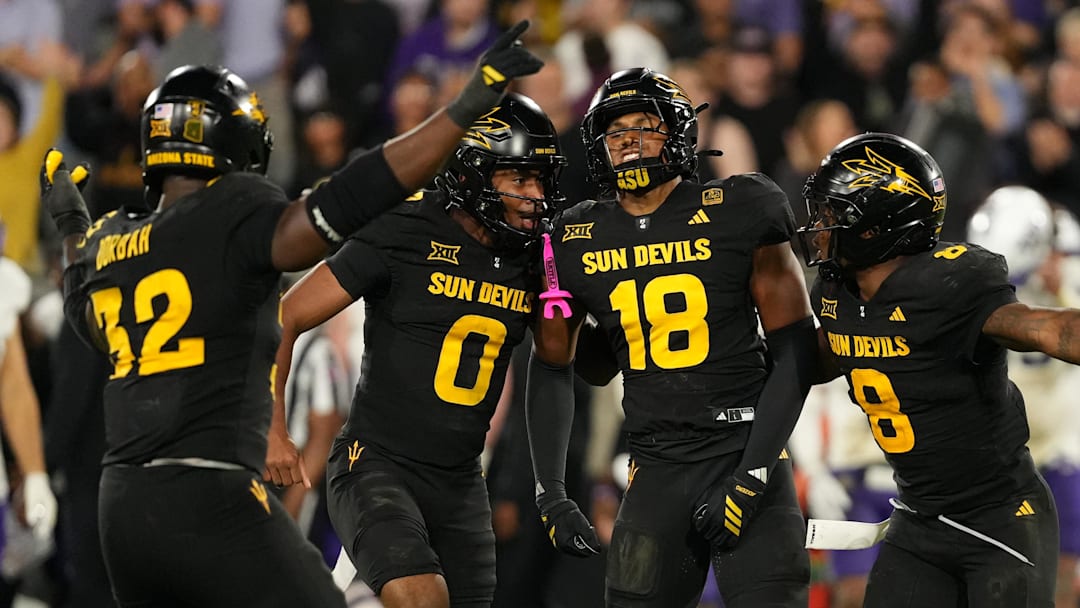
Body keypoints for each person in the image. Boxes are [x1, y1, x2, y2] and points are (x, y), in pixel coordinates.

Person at [39, 20, 543, 607]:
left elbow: (80, 297)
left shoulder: (109, 240)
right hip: (208, 488)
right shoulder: (233, 209)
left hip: (120, 504)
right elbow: (349, 199)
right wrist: (463, 109)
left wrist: (72, 221)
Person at [525, 67, 817, 607]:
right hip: (656, 465)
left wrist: (753, 473)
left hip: (745, 449)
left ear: (680, 132)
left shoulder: (741, 208)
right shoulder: (574, 235)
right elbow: (568, 365)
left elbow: (796, 348)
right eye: (616, 131)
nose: (629, 139)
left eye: (645, 124)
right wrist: (551, 492)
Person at [270, 93, 566, 608]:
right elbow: (284, 317)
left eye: (540, 179)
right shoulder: (406, 227)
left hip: (461, 482)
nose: (533, 195)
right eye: (519, 179)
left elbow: (558, 359)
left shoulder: (534, 257)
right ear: (474, 174)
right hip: (378, 464)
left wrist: (557, 278)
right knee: (422, 600)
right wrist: (272, 426)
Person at [797, 132, 1060, 607]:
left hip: (1000, 516)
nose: (819, 225)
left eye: (834, 214)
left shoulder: (950, 287)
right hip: (919, 518)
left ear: (876, 224)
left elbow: (1046, 330)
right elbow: (812, 361)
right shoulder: (839, 297)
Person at [965, 187, 1080, 608]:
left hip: (1066, 442)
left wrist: (1062, 290)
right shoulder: (985, 275)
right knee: (1002, 566)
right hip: (1009, 440)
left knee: (1066, 566)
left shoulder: (1070, 269)